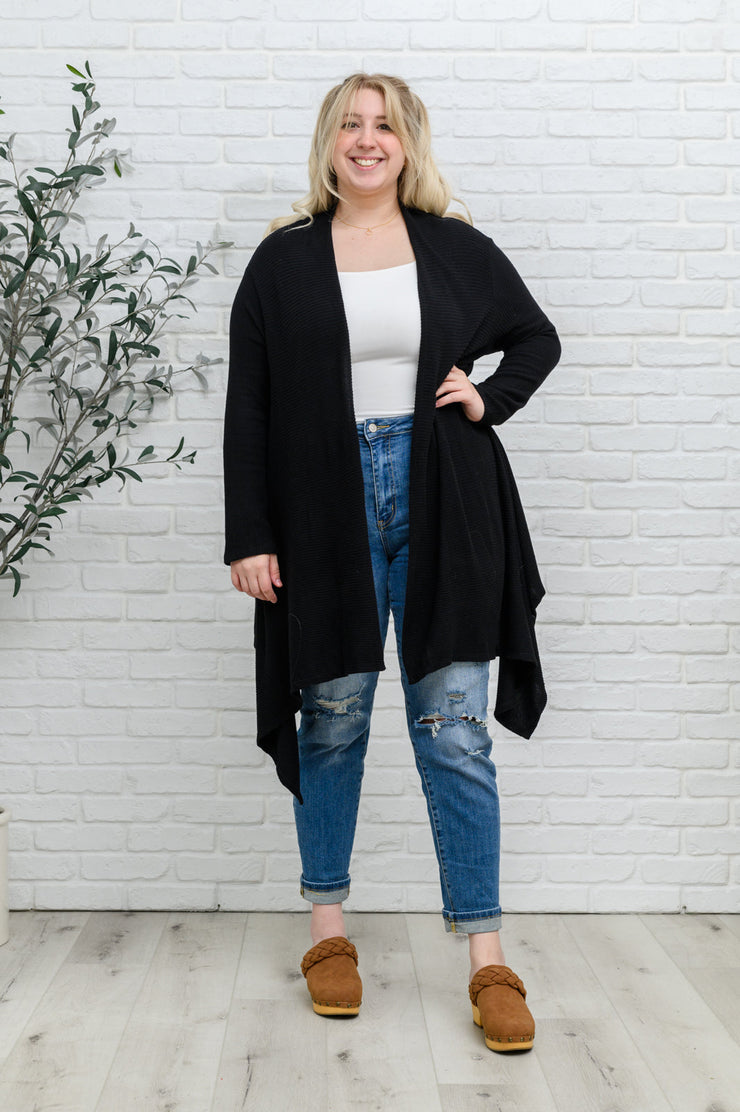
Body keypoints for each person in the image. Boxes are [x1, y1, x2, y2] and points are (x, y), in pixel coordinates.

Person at [223, 72, 561, 1053]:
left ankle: (487, 957)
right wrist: (250, 533)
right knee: (330, 719)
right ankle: (327, 932)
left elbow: (534, 339)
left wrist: (487, 398)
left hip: (443, 499)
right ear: (329, 142)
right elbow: (250, 404)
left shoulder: (453, 246)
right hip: (319, 509)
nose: (366, 140)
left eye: (383, 126)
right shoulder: (282, 260)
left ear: (407, 143)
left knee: (453, 727)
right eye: (350, 125)